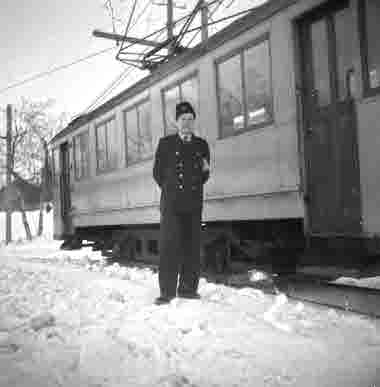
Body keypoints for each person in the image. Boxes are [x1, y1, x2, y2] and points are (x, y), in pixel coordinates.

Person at [153, 101, 210, 305]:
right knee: (169, 248)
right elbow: (157, 174)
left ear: (194, 122)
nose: (187, 123)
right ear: (176, 122)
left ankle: (188, 289)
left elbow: (205, 173)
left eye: (190, 119)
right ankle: (167, 292)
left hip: (193, 204)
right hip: (171, 206)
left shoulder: (202, 145)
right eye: (183, 119)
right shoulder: (165, 144)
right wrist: (172, 191)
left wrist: (190, 191)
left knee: (192, 248)